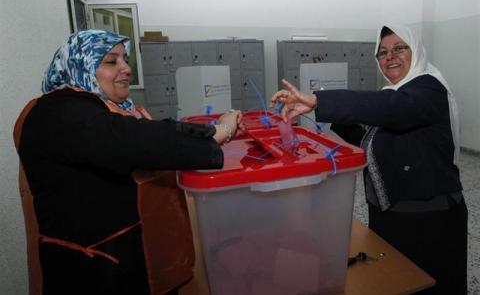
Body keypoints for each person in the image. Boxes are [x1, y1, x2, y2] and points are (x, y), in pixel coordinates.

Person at [13, 29, 244, 295]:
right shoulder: (56, 112)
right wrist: (220, 133)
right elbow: (138, 140)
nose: (125, 69)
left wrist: (213, 129)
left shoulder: (103, 108)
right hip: (88, 270)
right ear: (79, 64)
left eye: (125, 60)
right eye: (111, 62)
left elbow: (159, 129)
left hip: (128, 257)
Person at [270, 25, 467, 295]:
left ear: (416, 51)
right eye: (382, 52)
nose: (390, 57)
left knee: (426, 285)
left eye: (399, 48)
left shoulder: (428, 89)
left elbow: (390, 108)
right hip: (393, 218)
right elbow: (376, 142)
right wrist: (335, 117)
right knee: (395, 282)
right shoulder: (400, 94)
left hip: (428, 222)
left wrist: (318, 100)